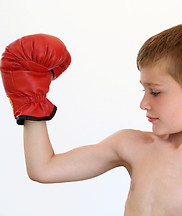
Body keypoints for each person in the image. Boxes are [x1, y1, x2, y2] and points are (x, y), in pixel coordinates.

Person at [1, 25, 182, 216]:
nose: (143, 103)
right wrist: (31, 102)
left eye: (155, 92)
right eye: (143, 91)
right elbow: (43, 169)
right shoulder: (133, 145)